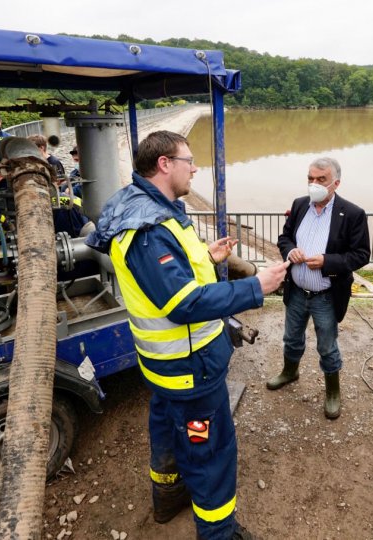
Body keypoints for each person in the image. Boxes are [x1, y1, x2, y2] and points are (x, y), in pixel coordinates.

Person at [86, 130, 289, 540]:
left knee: (165, 428)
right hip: (190, 367)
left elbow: (171, 274)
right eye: (189, 161)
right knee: (210, 453)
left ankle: (167, 498)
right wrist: (256, 286)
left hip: (166, 368)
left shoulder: (145, 206)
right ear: (165, 164)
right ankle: (219, 533)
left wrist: (208, 257)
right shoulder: (149, 228)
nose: (195, 168)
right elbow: (184, 304)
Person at [268, 157, 370, 420]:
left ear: (335, 183)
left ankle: (332, 392)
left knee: (327, 346)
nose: (314, 184)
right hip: (297, 291)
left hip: (326, 295)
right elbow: (284, 237)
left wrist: (328, 262)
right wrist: (290, 250)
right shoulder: (300, 205)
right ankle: (290, 372)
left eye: (321, 179)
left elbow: (361, 255)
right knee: (291, 338)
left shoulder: (353, 213)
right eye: (310, 178)